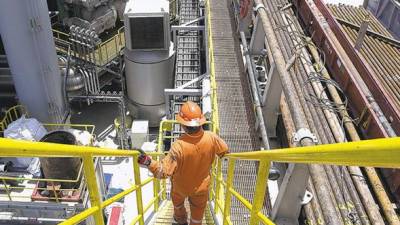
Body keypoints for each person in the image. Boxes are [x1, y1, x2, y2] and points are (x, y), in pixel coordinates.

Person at [138, 101, 228, 225]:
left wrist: (148, 161)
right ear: (201, 122)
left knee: (178, 205)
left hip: (180, 188)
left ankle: (181, 221)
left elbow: (162, 172)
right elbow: (225, 152)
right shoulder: (212, 138)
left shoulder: (178, 147)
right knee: (197, 217)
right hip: (201, 188)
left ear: (183, 125)